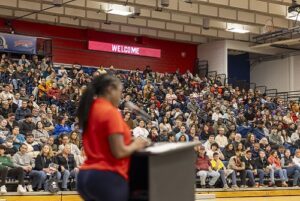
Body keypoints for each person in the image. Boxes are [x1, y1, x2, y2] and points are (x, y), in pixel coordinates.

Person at [76, 75, 147, 201]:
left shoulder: (91, 108)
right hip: (107, 177)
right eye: (120, 92)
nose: (120, 98)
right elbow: (119, 152)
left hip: (85, 176)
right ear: (110, 89)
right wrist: (136, 144)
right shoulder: (110, 111)